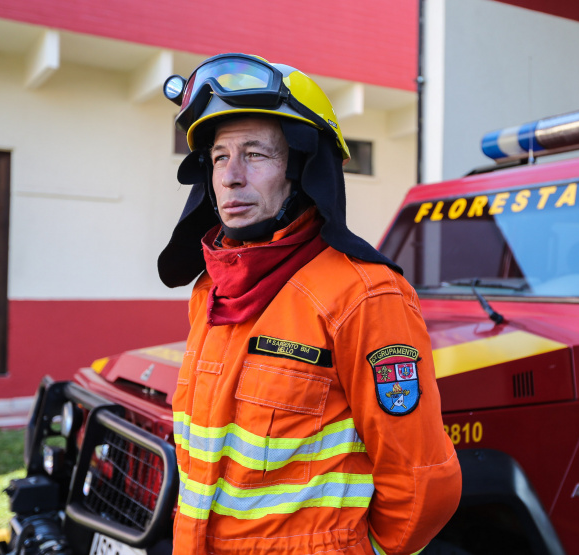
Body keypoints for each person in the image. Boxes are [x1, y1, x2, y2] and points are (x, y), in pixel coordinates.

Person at [158, 53, 462, 555]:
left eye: (256, 154)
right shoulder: (210, 291)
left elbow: (423, 484)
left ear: (303, 171)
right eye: (219, 157)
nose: (231, 175)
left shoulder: (364, 295)